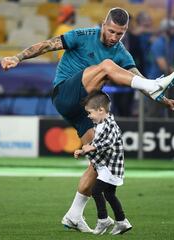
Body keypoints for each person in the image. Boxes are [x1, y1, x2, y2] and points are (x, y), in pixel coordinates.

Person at [1, 7, 174, 233]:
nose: (114, 37)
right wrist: (17, 57)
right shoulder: (82, 36)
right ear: (103, 24)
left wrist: (164, 100)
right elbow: (48, 45)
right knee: (107, 67)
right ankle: (154, 85)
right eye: (111, 31)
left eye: (120, 34)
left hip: (84, 109)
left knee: (99, 160)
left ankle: (73, 215)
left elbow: (136, 78)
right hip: (65, 93)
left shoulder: (121, 52)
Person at [74, 90, 132, 235]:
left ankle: (103, 219)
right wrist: (83, 151)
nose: (89, 116)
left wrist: (92, 146)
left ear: (101, 110)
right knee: (109, 194)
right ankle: (122, 222)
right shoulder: (100, 125)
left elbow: (109, 142)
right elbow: (97, 143)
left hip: (111, 168)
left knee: (96, 190)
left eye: (90, 112)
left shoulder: (110, 124)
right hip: (106, 167)